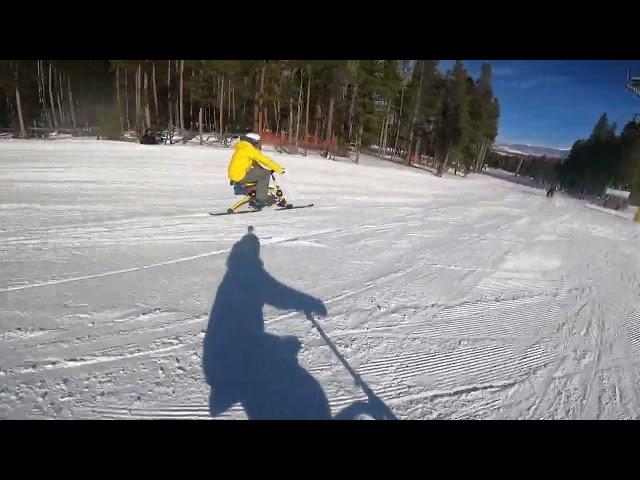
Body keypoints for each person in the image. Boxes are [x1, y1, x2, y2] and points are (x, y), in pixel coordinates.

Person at [227, 133, 285, 209]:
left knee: (262, 173)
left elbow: (254, 162)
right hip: (240, 175)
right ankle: (260, 200)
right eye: (257, 142)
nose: (257, 144)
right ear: (253, 141)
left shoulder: (243, 146)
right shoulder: (249, 148)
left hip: (234, 174)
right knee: (265, 175)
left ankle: (254, 192)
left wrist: (262, 169)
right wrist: (279, 169)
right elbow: (264, 160)